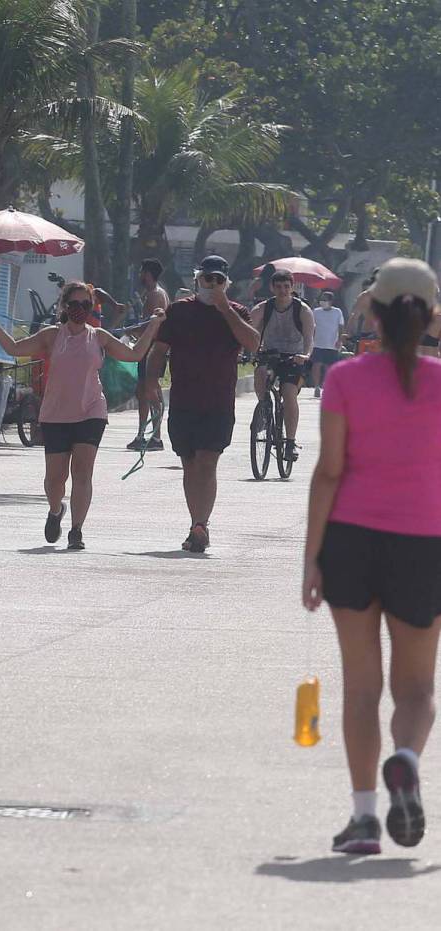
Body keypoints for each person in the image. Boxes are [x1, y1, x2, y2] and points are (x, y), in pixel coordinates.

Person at [303, 258, 441, 856]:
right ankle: (405, 760)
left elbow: (329, 471)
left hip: (351, 542)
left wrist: (312, 557)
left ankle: (362, 820)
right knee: (415, 690)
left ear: (374, 312)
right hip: (423, 544)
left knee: (361, 688)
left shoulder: (345, 379)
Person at [0, 281, 165, 551]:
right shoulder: (51, 336)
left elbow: (135, 354)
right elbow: (13, 349)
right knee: (54, 480)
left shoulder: (99, 337)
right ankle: (56, 510)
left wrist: (154, 326)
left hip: (91, 411)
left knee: (82, 472)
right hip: (55, 414)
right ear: (64, 306)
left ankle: (76, 530)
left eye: (86, 305)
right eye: (75, 304)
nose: (80, 310)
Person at [144, 255, 260, 552]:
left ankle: (200, 525)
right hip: (183, 399)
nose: (213, 284)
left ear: (226, 283)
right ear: (197, 280)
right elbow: (159, 350)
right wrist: (151, 382)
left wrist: (224, 308)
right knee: (189, 463)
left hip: (219, 401)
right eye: (208, 279)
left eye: (219, 280)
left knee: (207, 462)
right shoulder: (179, 311)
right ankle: (195, 520)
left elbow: (252, 343)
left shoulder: (237, 311)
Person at [251, 270, 315, 462]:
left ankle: (290, 442)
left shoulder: (302, 310)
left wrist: (305, 355)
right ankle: (264, 409)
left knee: (288, 394)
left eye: (286, 286)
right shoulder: (264, 308)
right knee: (260, 372)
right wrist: (246, 350)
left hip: (294, 358)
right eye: (278, 287)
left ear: (292, 287)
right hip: (270, 354)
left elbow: (309, 339)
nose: (282, 290)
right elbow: (249, 329)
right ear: (272, 287)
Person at [126, 258, 170, 452]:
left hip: (153, 350)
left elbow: (149, 325)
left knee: (150, 391)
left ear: (148, 273)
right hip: (149, 349)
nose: (139, 276)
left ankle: (155, 436)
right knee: (143, 391)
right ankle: (142, 434)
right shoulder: (153, 293)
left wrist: (130, 331)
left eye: (142, 272)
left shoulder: (155, 295)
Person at [311, 290, 345, 398]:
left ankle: (326, 385)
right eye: (322, 299)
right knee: (316, 364)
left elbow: (340, 326)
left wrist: (340, 339)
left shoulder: (337, 312)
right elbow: (311, 326)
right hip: (317, 343)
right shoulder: (315, 311)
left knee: (328, 367)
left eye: (325, 300)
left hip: (331, 343)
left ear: (331, 301)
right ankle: (316, 386)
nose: (323, 301)